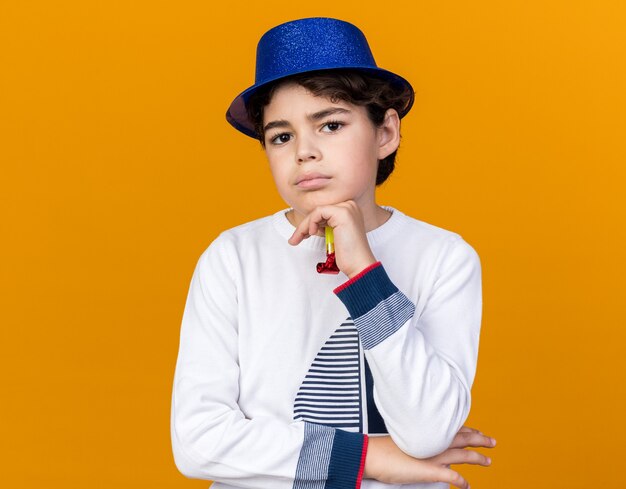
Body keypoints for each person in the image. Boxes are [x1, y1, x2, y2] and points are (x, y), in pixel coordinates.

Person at [171, 17, 496, 489]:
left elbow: (427, 431)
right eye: (281, 136)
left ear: (385, 132)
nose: (304, 151)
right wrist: (366, 457)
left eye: (330, 125)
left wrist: (366, 274)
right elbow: (198, 441)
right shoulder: (233, 257)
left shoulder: (443, 257)